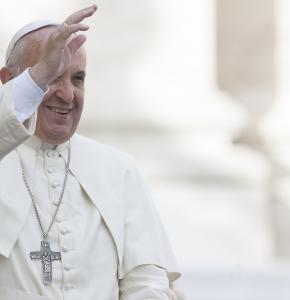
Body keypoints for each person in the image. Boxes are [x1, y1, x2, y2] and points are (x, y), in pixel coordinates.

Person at [0, 5, 180, 300]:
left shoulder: (118, 169)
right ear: (9, 80)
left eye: (78, 78)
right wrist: (35, 81)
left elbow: (146, 280)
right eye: (52, 76)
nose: (68, 94)